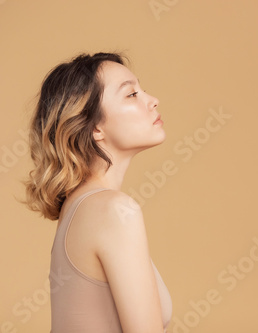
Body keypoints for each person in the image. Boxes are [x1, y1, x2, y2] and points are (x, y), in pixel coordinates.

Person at [21, 52, 172, 333]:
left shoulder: (80, 206)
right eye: (131, 94)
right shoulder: (112, 210)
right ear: (95, 128)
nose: (152, 100)